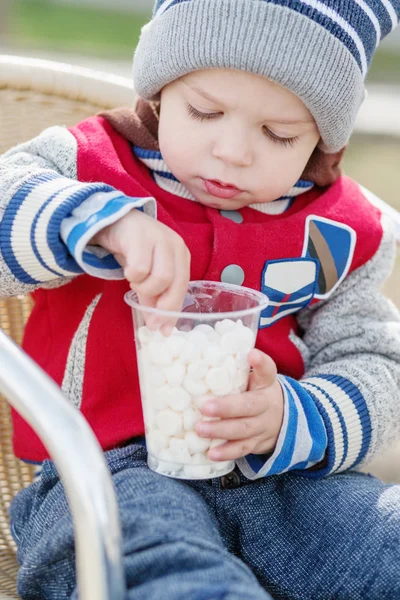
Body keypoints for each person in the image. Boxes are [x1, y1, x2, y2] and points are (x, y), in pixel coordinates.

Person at [2, 0, 400, 598]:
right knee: (149, 565)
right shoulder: (87, 166)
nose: (233, 152)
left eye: (279, 134)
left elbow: (376, 358)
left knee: (382, 543)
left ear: (322, 137)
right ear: (162, 91)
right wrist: (96, 223)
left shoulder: (336, 230)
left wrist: (294, 415)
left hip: (287, 480)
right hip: (106, 474)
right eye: (205, 111)